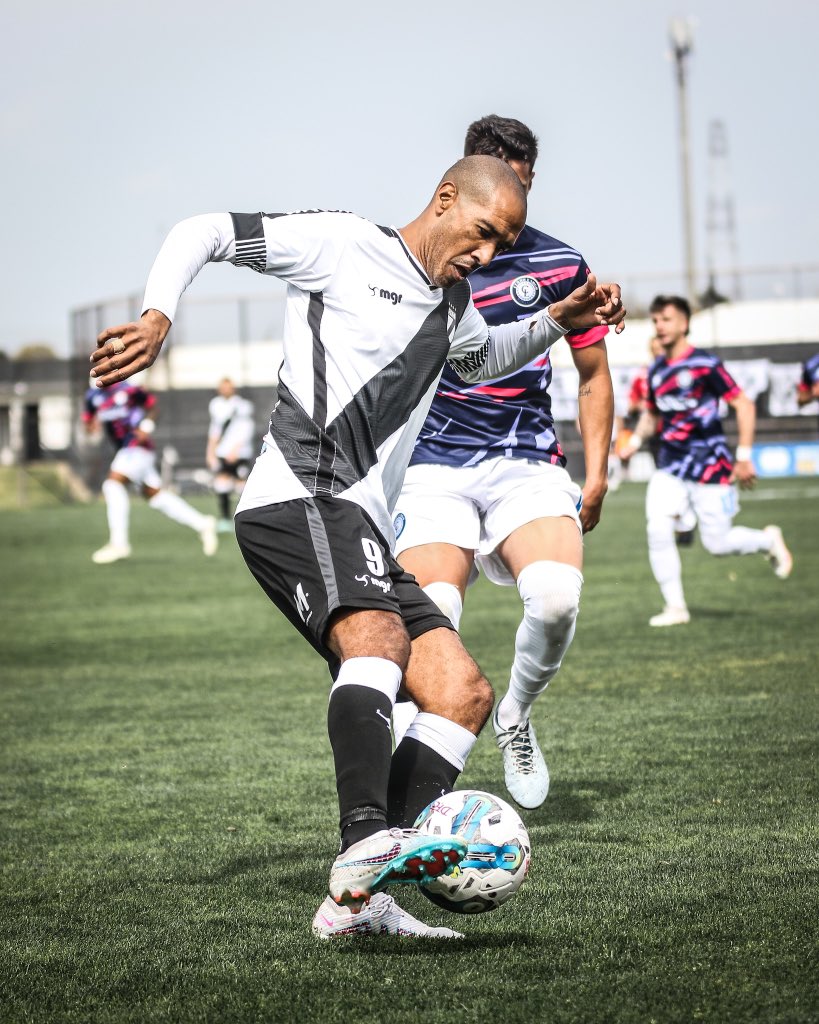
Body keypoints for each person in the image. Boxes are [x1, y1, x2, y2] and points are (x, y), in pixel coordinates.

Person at [89, 155, 626, 939]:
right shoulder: (342, 244)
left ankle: (360, 898)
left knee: (461, 694)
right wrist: (156, 318)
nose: (486, 255)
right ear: (445, 200)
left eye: (502, 242)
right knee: (372, 640)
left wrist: (558, 317)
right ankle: (367, 841)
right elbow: (204, 230)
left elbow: (476, 360)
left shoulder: (450, 301)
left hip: (358, 520)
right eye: (482, 232)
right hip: (298, 492)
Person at [392, 116, 615, 811]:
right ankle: (409, 790)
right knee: (430, 615)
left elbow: (591, 374)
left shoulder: (560, 266)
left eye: (519, 182)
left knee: (554, 600)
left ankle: (515, 715)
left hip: (524, 459)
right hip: (431, 467)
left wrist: (599, 469)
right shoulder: (417, 266)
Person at [620, 295, 792, 627]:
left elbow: (744, 405)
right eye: (656, 321)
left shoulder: (705, 364)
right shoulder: (655, 370)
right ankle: (676, 607)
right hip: (670, 466)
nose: (660, 326)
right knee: (657, 528)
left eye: (666, 319)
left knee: (718, 543)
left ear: (684, 323)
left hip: (710, 467)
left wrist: (743, 456)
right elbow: (652, 415)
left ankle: (768, 540)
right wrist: (637, 442)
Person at [83, 380, 218, 563]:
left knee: (112, 484)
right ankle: (203, 524)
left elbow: (153, 406)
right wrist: (92, 428)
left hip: (137, 447)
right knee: (156, 496)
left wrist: (146, 427)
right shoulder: (93, 396)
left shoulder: (128, 389)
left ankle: (119, 543)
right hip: (124, 451)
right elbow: (89, 422)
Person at [206, 377, 256, 531]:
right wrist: (210, 452)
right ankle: (226, 518)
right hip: (223, 451)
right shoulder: (215, 405)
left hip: (240, 453)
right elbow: (215, 430)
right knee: (222, 484)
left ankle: (247, 518)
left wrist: (236, 449)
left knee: (242, 484)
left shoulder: (243, 405)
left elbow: (247, 427)